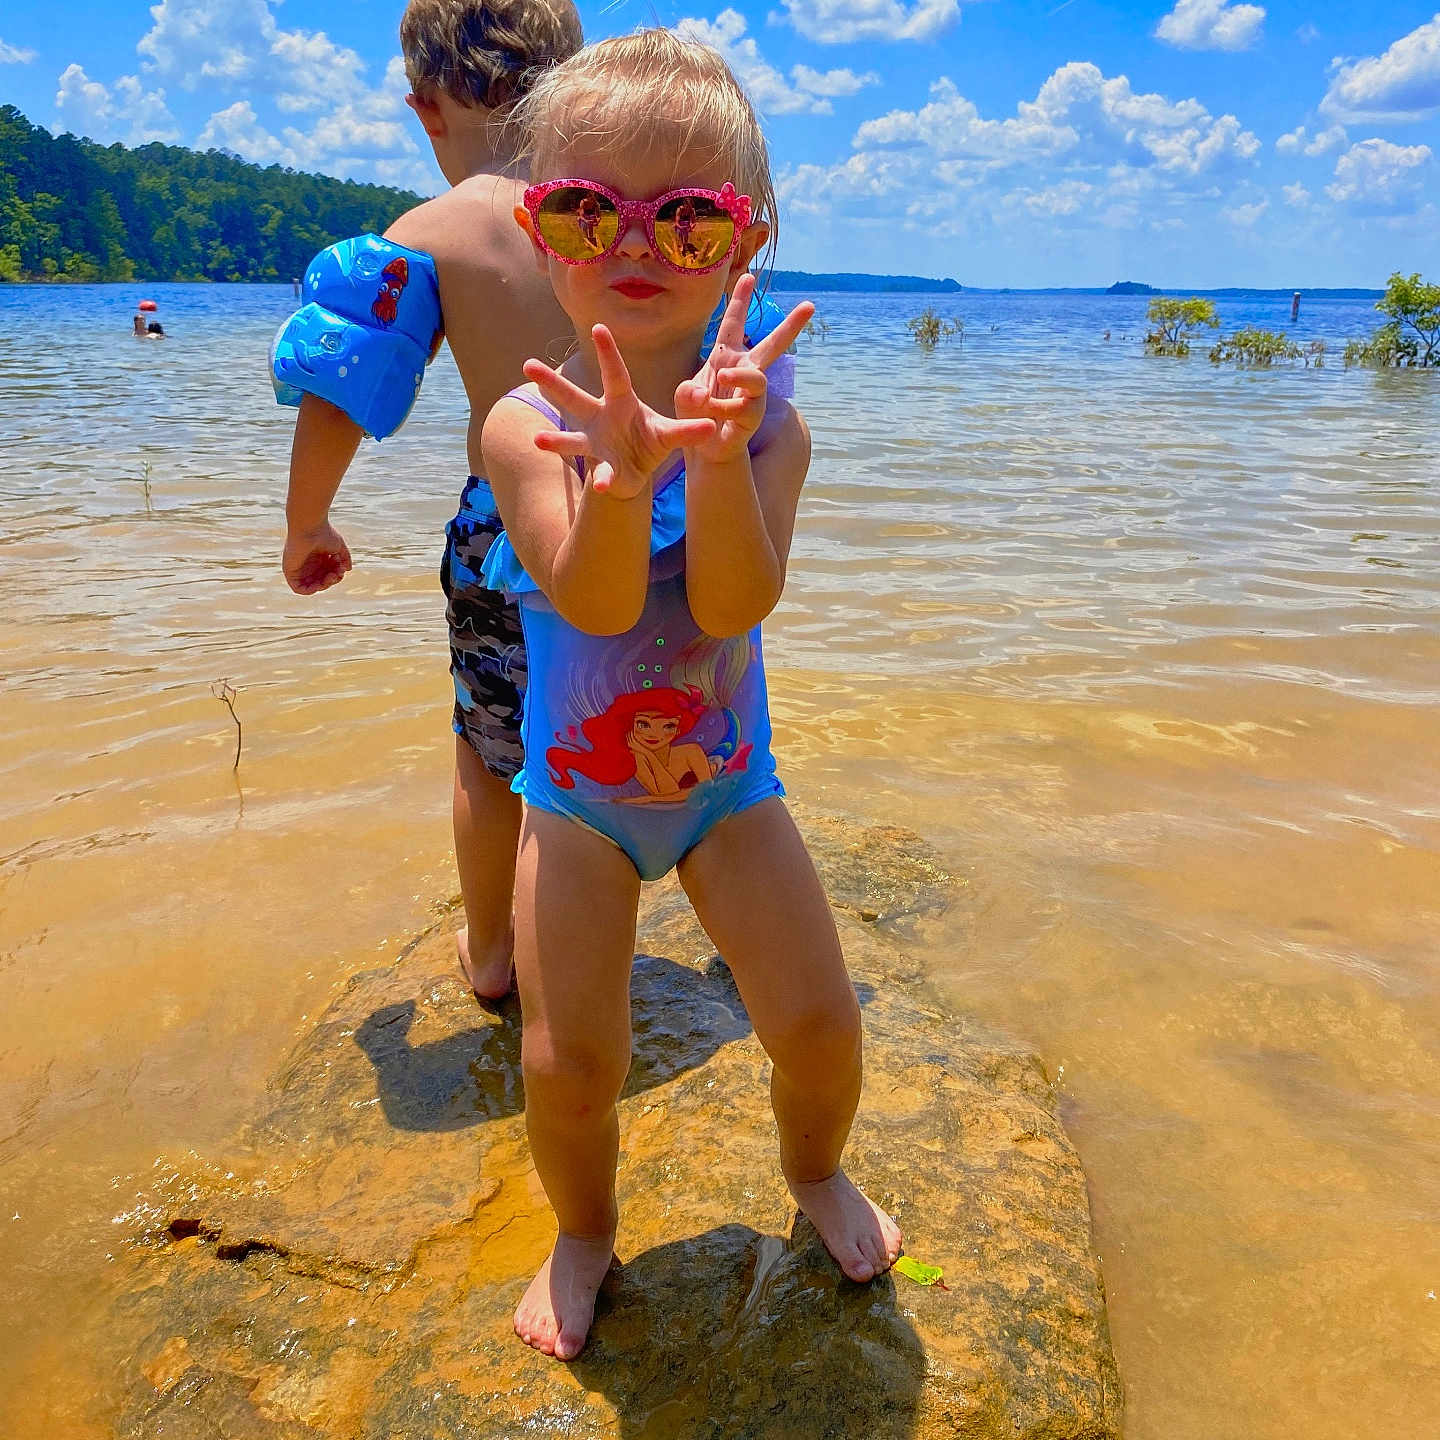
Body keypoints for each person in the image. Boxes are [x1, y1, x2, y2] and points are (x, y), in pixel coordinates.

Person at [481, 29, 903, 1362]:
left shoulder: (773, 424)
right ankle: (585, 1231)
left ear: (746, 240)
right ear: (539, 230)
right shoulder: (521, 421)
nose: (636, 238)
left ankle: (817, 1170)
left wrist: (717, 463)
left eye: (688, 213)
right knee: (568, 1065)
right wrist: (616, 477)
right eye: (587, 205)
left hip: (728, 794)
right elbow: (597, 603)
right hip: (576, 808)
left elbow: (731, 605)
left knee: (822, 1023)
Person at [278, 0, 583, 1002]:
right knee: (625, 730)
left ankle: (496, 958)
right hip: (646, 517)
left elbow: (344, 385)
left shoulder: (433, 230)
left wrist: (307, 523)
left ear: (425, 109)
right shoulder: (616, 207)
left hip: (509, 537)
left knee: (492, 760)